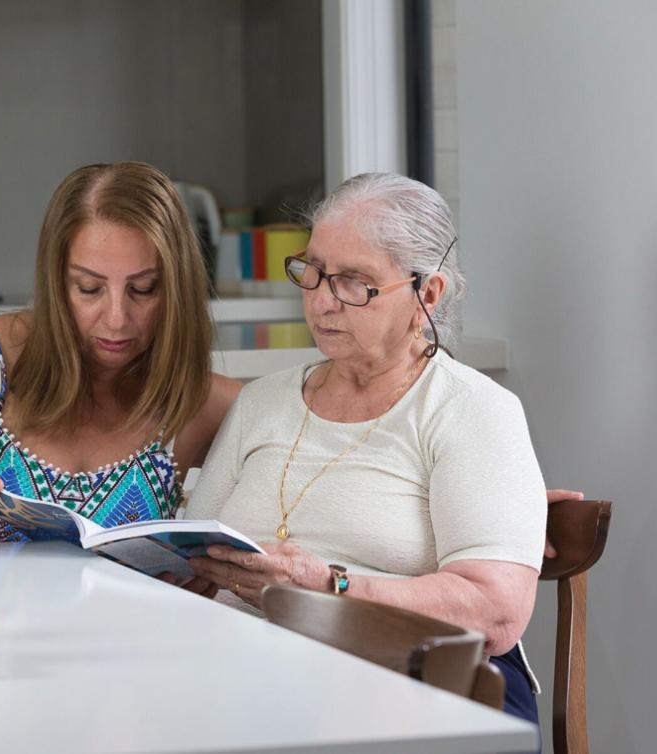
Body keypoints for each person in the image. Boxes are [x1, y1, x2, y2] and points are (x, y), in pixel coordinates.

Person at [181, 172, 552, 731]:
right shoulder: (262, 403)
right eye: (314, 272)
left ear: (427, 293)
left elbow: (496, 612)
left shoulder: (471, 409)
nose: (322, 303)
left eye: (354, 283)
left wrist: (330, 590)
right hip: (250, 679)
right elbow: (195, 564)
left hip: (411, 681)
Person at [0, 161, 240, 547]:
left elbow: (303, 445)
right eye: (89, 288)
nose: (117, 319)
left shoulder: (195, 400)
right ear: (55, 281)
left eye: (144, 289)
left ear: (176, 289)